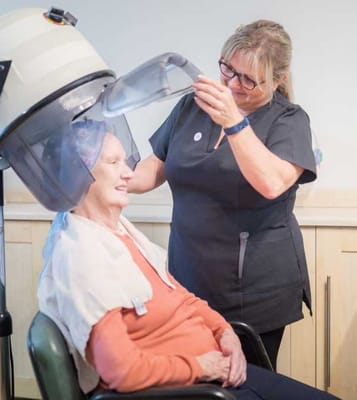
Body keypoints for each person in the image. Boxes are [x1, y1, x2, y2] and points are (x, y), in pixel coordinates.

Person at [37, 122, 339, 400]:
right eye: (114, 163)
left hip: (214, 377)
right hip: (191, 390)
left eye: (124, 162)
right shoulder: (82, 255)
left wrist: (225, 332)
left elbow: (180, 298)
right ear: (79, 173)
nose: (129, 173)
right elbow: (121, 371)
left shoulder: (119, 233)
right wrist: (200, 366)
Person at [128, 20, 317, 368]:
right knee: (196, 376)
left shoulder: (288, 121)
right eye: (228, 70)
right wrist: (116, 177)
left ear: (278, 80)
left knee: (245, 381)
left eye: (248, 78)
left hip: (255, 288)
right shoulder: (192, 107)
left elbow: (272, 183)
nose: (233, 84)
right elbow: (156, 166)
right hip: (189, 277)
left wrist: (234, 122)